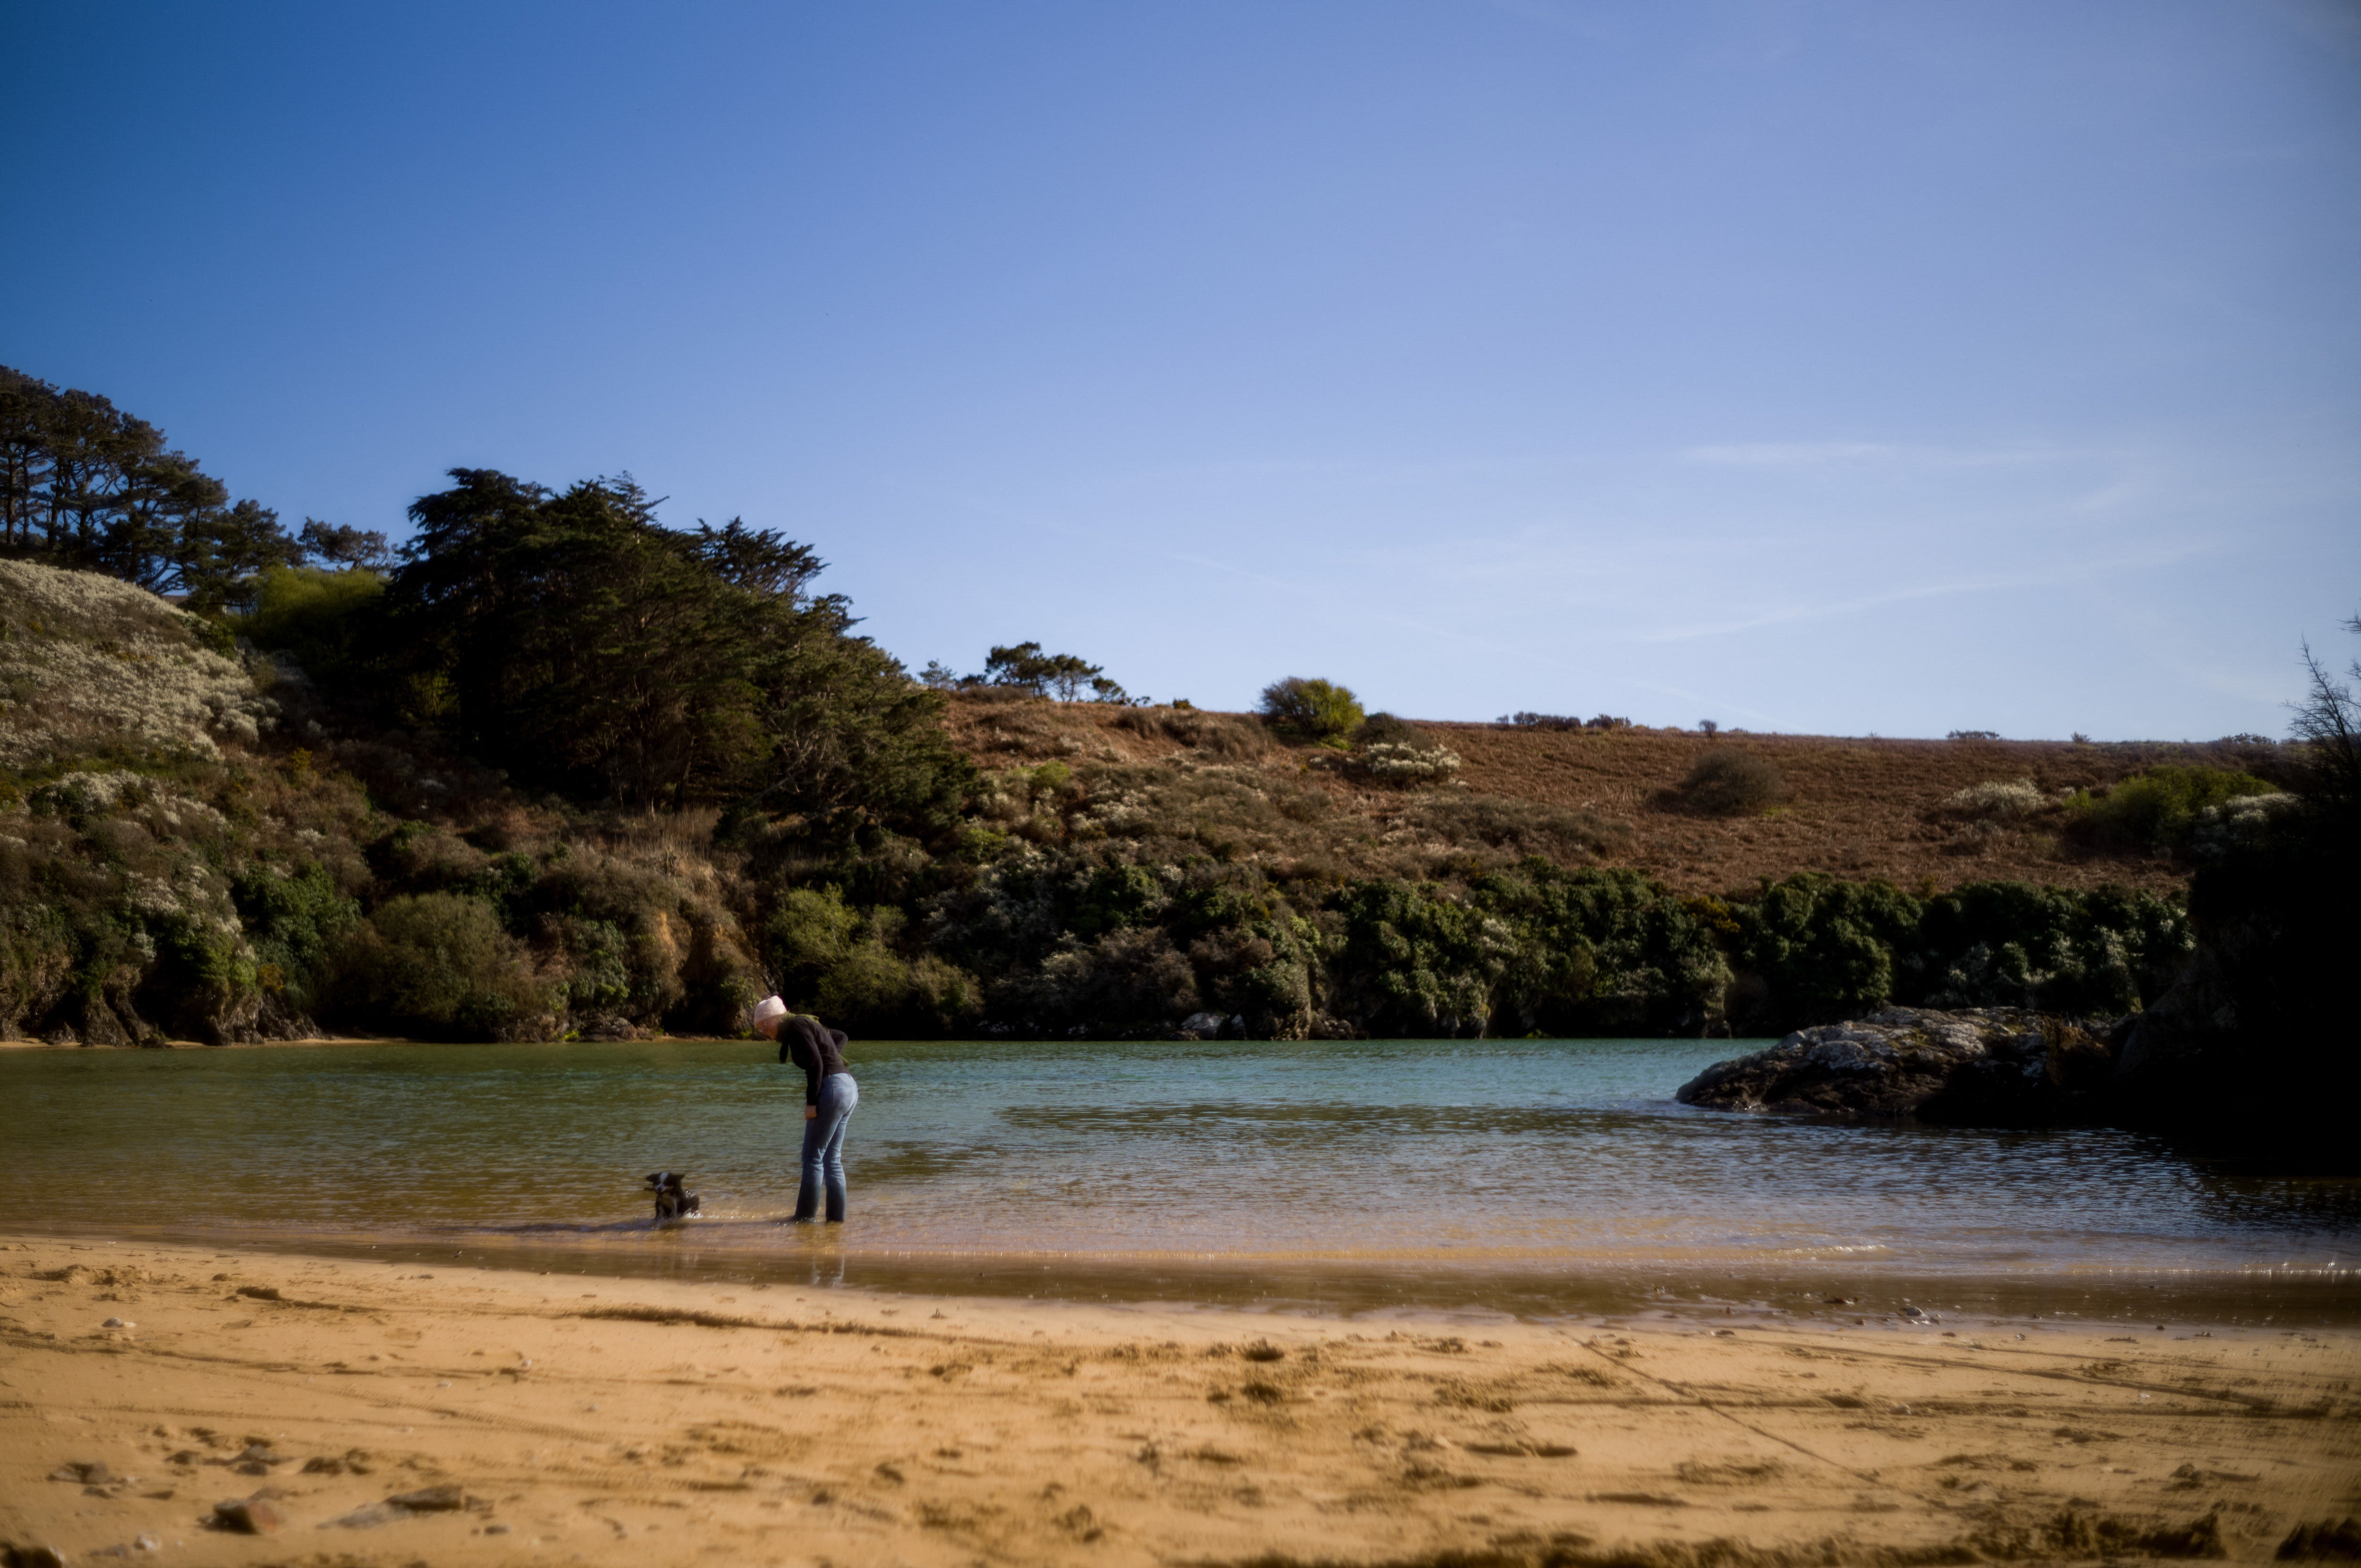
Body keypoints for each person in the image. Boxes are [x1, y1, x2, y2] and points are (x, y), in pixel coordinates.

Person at [753, 995, 858, 1223]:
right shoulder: (802, 1025)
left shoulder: (798, 1025)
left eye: (764, 1024)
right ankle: (835, 1222)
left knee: (812, 1157)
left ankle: (804, 1220)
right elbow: (836, 1039)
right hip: (848, 1087)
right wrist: (832, 1056)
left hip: (831, 1089)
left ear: (777, 1017)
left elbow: (816, 1065)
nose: (762, 1030)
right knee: (832, 1159)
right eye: (758, 1026)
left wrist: (811, 1102)